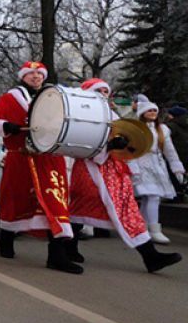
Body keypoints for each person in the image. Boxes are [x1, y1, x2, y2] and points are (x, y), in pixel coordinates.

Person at [69, 79, 182, 273]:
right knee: (85, 206)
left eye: (106, 90)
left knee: (123, 208)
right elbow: (81, 144)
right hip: (91, 169)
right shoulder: (83, 115)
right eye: (99, 90)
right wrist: (108, 148)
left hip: (115, 169)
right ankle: (66, 247)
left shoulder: (112, 115)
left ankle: (150, 256)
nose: (104, 93)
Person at [0, 61, 82, 274]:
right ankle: (6, 238)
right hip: (22, 158)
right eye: (31, 74)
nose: (36, 77)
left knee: (55, 202)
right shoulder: (12, 98)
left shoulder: (55, 97)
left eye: (39, 73)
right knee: (16, 200)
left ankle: (56, 255)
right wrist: (6, 126)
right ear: (23, 77)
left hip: (50, 159)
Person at [129, 100, 185, 244]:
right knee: (151, 196)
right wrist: (133, 167)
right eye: (149, 111)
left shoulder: (162, 129)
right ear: (142, 113)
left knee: (152, 198)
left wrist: (176, 167)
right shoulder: (136, 129)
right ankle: (153, 230)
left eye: (155, 110)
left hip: (157, 166)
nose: (153, 113)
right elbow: (130, 150)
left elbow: (170, 150)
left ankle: (142, 228)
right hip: (141, 164)